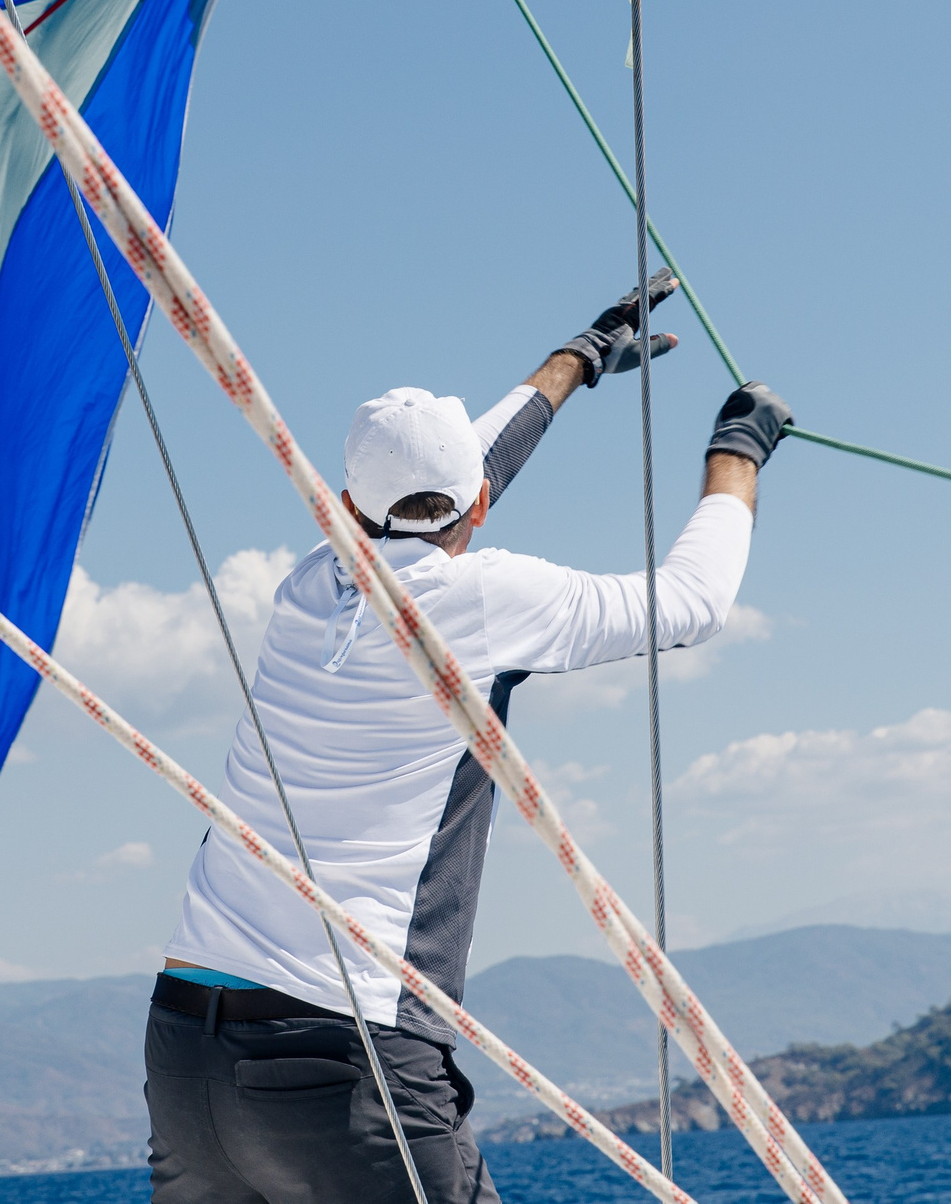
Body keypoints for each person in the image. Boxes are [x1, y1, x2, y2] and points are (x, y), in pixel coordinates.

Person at [142, 270, 793, 1204]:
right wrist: (739, 450)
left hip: (185, 1056)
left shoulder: (308, 586)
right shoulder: (481, 602)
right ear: (478, 507)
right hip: (343, 1054)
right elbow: (695, 602)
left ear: (341, 502)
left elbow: (461, 471)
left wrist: (580, 356)